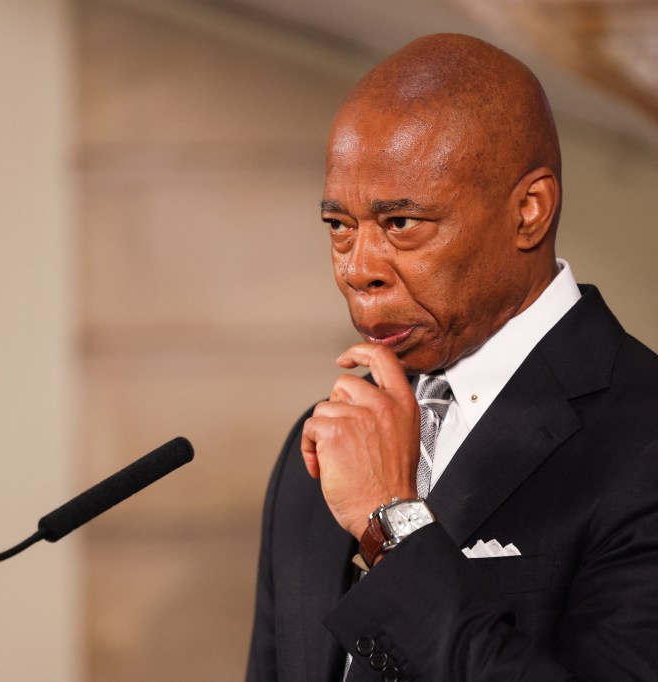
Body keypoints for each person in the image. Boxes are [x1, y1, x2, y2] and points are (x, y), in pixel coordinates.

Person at [246, 33, 658, 682]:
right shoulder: (321, 452)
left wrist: (394, 524)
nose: (358, 270)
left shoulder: (643, 438)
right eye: (339, 227)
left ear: (529, 211)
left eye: (401, 224)